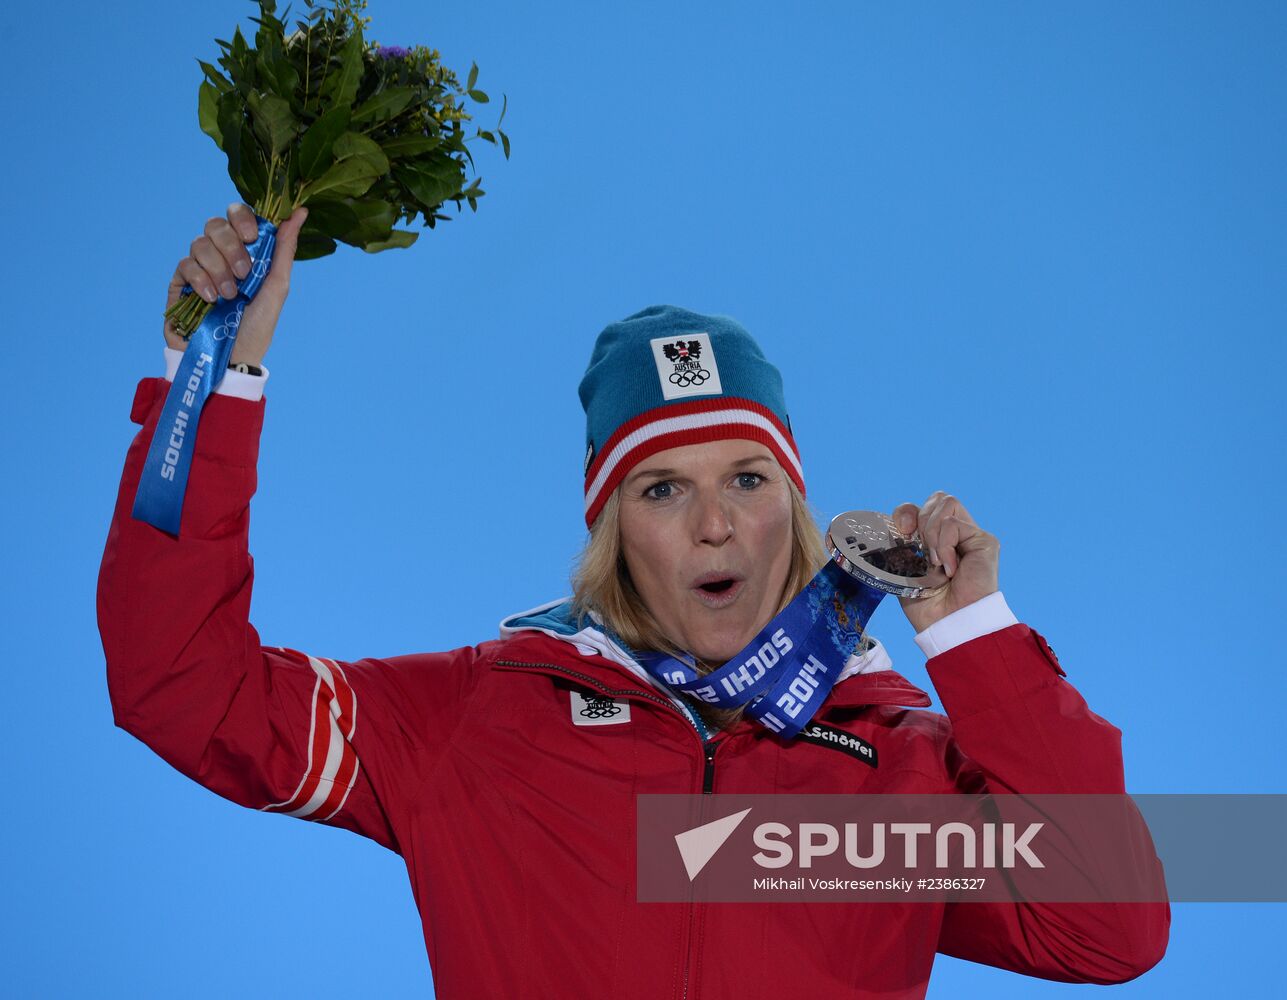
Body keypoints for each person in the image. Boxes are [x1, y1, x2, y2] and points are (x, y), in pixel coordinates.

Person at [98, 203, 1169, 999]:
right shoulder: (475, 719)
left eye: (747, 478)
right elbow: (184, 687)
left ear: (795, 511)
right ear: (613, 528)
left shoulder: (895, 772)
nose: (715, 524)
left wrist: (974, 633)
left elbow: (1108, 928)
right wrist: (210, 378)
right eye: (662, 489)